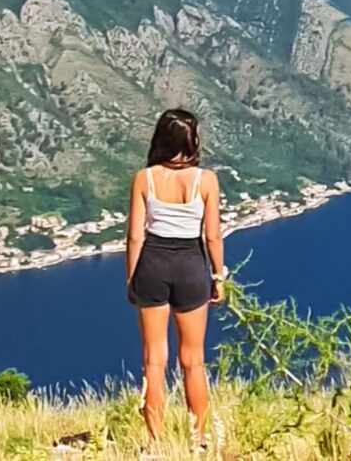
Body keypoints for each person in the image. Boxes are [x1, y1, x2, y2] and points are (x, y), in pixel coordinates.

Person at [125, 109, 225, 450]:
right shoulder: (206, 180)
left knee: (154, 359)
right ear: (192, 140)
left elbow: (135, 236)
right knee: (193, 360)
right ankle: (199, 438)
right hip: (191, 267)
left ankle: (155, 443)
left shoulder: (145, 178)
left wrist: (132, 278)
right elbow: (212, 236)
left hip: (152, 265)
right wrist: (218, 276)